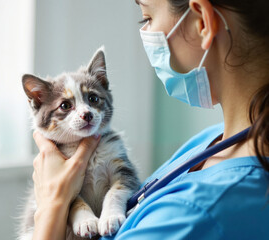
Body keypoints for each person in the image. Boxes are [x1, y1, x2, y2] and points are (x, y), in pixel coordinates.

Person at [31, 0, 269, 239]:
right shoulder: (214, 140)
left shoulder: (193, 217)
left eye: (147, 18)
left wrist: (52, 205)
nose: (145, 33)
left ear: (203, 22)